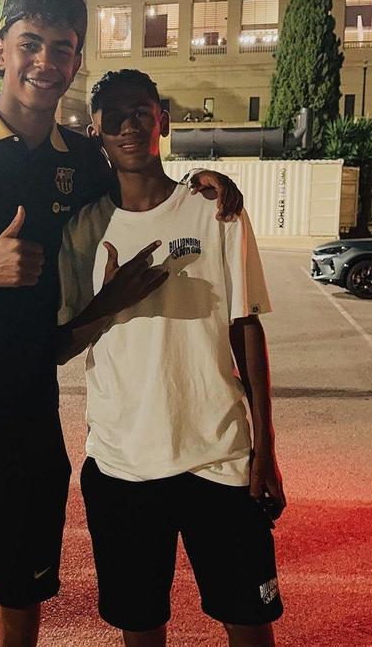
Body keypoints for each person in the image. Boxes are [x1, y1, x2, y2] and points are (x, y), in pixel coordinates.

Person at [0, 0, 243, 647]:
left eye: (62, 48)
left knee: (22, 591)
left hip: (27, 422)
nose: (45, 61)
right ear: (0, 51)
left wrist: (201, 184)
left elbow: (142, 177)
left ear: (76, 62)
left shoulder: (84, 160)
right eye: (30, 43)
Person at [56, 69, 285, 647]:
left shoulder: (215, 209)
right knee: (141, 626)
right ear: (96, 130)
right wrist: (110, 303)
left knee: (251, 623)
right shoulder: (82, 229)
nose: (129, 125)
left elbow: (245, 327)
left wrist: (265, 450)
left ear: (162, 119)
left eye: (141, 111)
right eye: (113, 115)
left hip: (219, 455)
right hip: (123, 461)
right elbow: (60, 347)